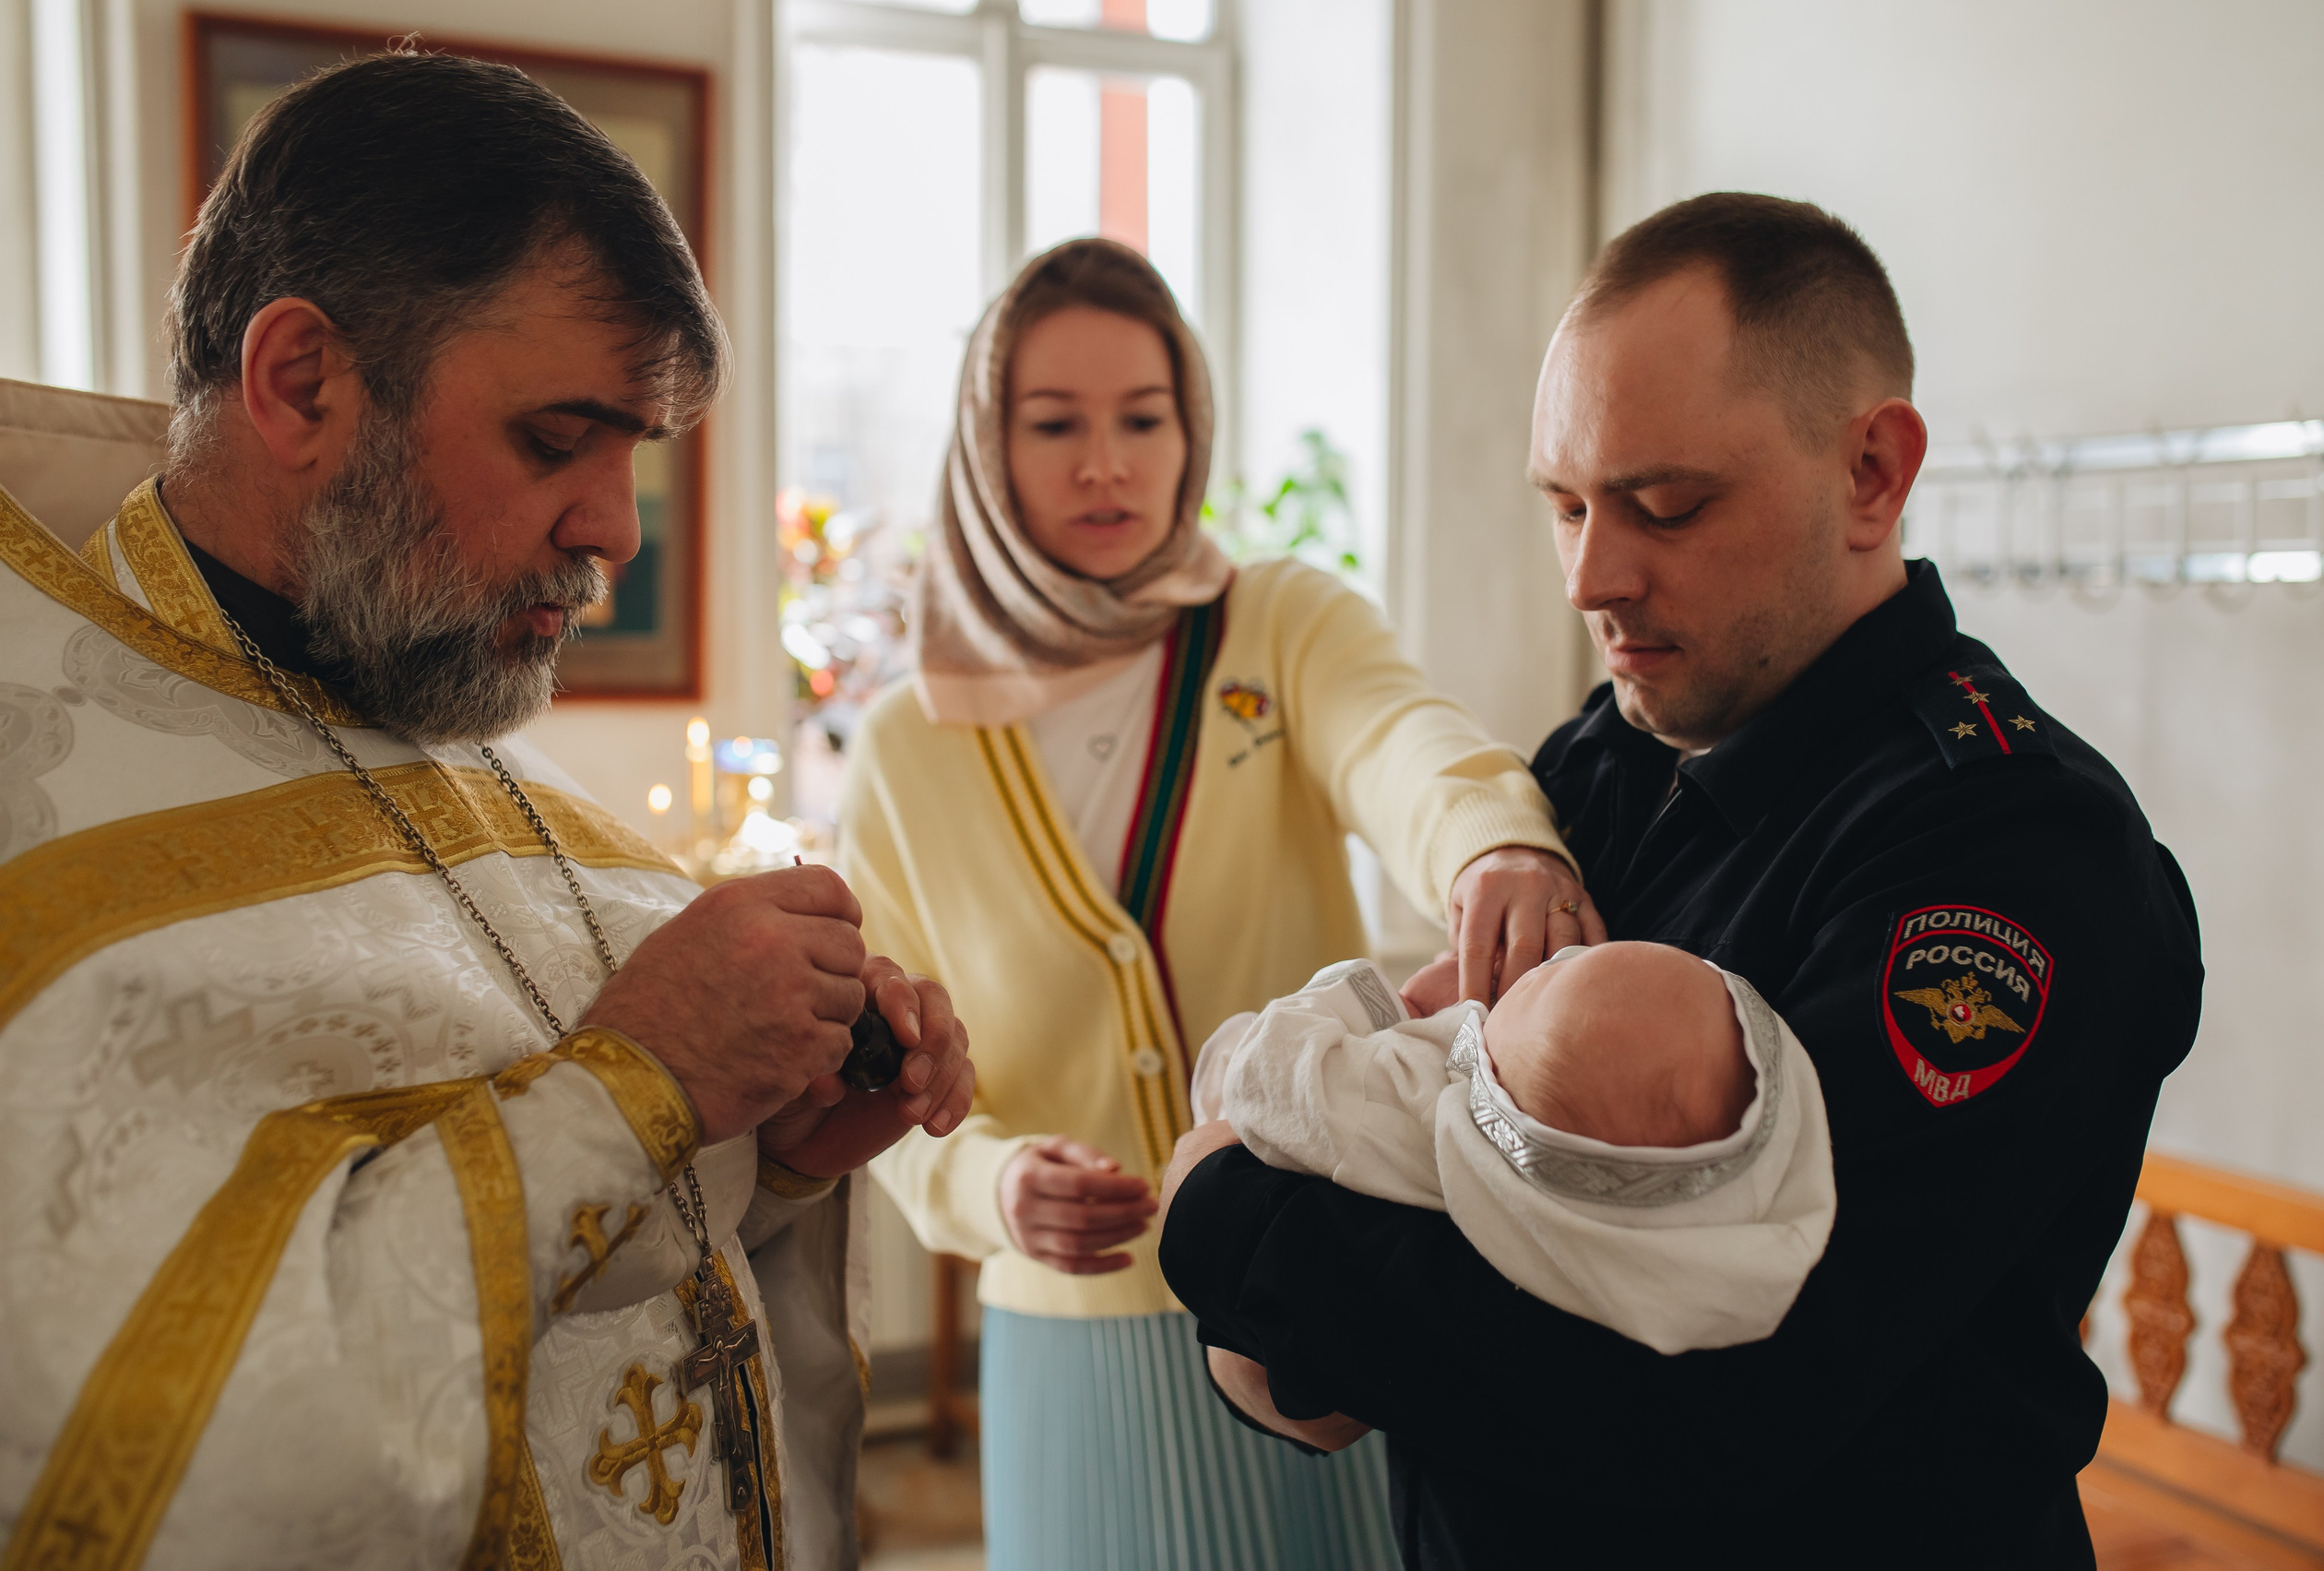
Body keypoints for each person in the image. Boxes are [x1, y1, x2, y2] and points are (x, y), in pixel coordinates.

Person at [0, 53, 974, 1571]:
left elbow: (621, 1275)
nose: (616, 531)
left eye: (632, 456)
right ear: (303, 381)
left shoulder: (457, 733)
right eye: (554, 440)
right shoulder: (38, 836)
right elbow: (170, 1462)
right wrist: (639, 1080)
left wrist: (775, 1140)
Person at [1158, 192, 2204, 1568]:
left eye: (1666, 504)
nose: (1595, 573)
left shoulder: (2009, 854)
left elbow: (1715, 1388)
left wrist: (1227, 1220)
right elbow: (1440, 1163)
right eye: (1567, 504)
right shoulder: (1595, 767)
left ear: (1873, 472)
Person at [836, 237, 1599, 1570]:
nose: (1106, 464)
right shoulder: (909, 742)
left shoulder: (1279, 626)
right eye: (1053, 423)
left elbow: (1405, 742)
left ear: (1193, 427)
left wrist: (1493, 846)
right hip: (1069, 1340)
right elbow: (878, 1079)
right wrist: (990, 1182)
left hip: (1323, 1288)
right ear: (984, 445)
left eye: (1145, 416)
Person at [1193, 941, 1836, 1358]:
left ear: (1502, 1116)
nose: (1549, 956)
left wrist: (1386, 1004)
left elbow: (1265, 1073)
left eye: (1527, 992)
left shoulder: (1417, 1114)